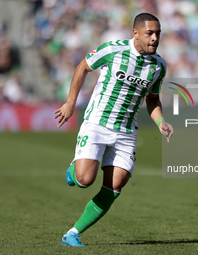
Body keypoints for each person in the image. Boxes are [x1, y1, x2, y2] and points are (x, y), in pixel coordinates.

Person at [54, 13, 174, 247]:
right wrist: (70, 102)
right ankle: (74, 168)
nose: (155, 38)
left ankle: (73, 233)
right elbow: (83, 67)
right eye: (149, 33)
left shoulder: (158, 66)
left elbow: (152, 100)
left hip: (127, 132)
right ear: (135, 33)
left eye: (158, 33)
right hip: (98, 122)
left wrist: (161, 122)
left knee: (115, 186)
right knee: (84, 180)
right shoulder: (113, 50)